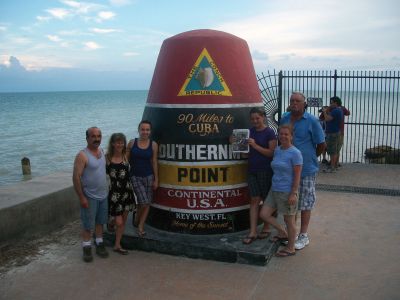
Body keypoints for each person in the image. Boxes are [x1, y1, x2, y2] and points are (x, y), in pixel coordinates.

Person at [280, 92, 326, 250]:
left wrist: (310, 157)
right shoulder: (285, 118)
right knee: (291, 202)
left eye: (298, 101)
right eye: (292, 100)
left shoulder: (312, 120)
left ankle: (303, 236)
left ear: (304, 103)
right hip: (288, 170)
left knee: (305, 203)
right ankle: (292, 234)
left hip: (306, 169)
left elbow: (321, 144)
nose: (294, 103)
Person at [259, 124, 303, 257]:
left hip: (287, 191)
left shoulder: (295, 153)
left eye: (286, 134)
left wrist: (293, 193)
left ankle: (291, 248)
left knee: (289, 220)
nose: (283, 136)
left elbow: (297, 175)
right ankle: (282, 232)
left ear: (291, 136)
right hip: (274, 189)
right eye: (281, 134)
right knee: (264, 214)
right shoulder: (278, 150)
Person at [72, 127, 109, 262]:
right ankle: (86, 247)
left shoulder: (101, 151)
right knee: (88, 225)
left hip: (103, 195)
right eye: (93, 136)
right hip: (89, 196)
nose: (96, 139)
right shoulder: (82, 155)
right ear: (87, 138)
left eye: (99, 136)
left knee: (100, 222)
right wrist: (82, 197)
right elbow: (76, 177)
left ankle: (99, 243)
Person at [241, 107, 277, 244]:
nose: (255, 121)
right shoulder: (249, 132)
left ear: (263, 117)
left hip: (265, 170)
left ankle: (267, 228)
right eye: (252, 119)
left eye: (257, 118)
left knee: (267, 200)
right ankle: (253, 231)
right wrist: (235, 143)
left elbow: (271, 153)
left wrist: (255, 146)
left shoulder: (269, 132)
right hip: (252, 170)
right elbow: (245, 153)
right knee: (254, 200)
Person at [127, 120, 159, 237]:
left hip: (149, 176)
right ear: (139, 130)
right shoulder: (131, 143)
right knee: (143, 202)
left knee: (147, 203)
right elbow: (126, 161)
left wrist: (157, 179)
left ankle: (140, 224)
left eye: (147, 130)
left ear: (150, 131)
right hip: (135, 176)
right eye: (143, 129)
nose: (145, 132)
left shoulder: (153, 145)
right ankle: (137, 220)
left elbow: (154, 162)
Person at [106, 133, 135, 255]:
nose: (120, 144)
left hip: (127, 192)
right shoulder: (107, 158)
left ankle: (117, 245)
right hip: (115, 194)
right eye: (117, 142)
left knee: (122, 221)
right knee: (119, 222)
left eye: (122, 142)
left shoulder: (125, 156)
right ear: (112, 143)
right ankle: (111, 222)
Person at [322, 96, 343, 173]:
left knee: (332, 151)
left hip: (332, 133)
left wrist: (324, 111)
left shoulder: (336, 111)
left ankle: (332, 168)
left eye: (331, 102)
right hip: (336, 132)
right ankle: (335, 166)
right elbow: (331, 117)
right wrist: (327, 110)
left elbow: (327, 119)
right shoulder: (339, 110)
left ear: (335, 103)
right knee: (336, 150)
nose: (330, 104)